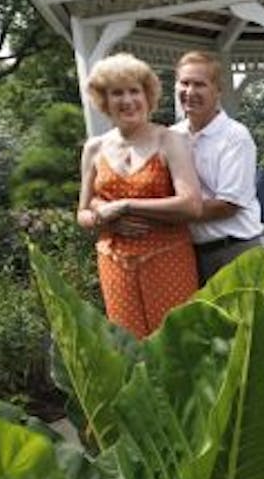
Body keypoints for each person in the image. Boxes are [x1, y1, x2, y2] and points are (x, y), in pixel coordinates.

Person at [77, 53, 202, 337]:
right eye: (116, 93)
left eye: (134, 90)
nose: (127, 100)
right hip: (115, 264)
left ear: (148, 96)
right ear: (104, 101)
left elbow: (191, 205)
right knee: (129, 349)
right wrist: (105, 220)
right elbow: (83, 214)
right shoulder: (94, 149)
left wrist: (125, 205)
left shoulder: (170, 140)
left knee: (176, 346)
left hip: (167, 259)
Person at [169, 50, 261, 284]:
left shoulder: (235, 137)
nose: (190, 92)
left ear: (217, 90)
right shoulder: (171, 136)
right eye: (184, 83)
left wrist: (162, 215)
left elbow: (227, 206)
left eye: (199, 84)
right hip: (187, 254)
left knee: (243, 322)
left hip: (233, 252)